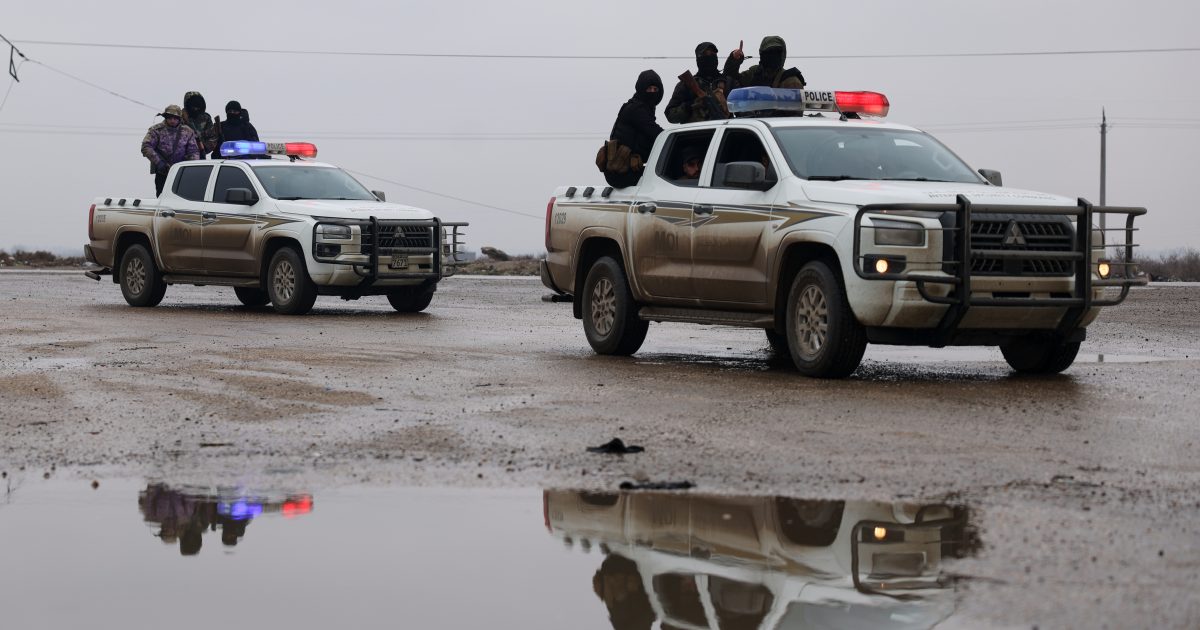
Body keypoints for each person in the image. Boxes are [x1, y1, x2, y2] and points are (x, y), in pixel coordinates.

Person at [600, 70, 664, 189]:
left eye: (656, 89)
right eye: (649, 89)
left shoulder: (641, 108)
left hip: (626, 170)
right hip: (621, 173)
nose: (652, 92)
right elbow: (658, 134)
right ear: (641, 89)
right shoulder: (636, 109)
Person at [665, 41, 741, 124]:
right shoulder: (686, 85)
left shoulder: (729, 82)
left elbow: (743, 109)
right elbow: (670, 115)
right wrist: (690, 105)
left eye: (713, 53)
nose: (710, 56)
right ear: (699, 58)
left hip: (723, 132)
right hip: (696, 134)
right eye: (706, 54)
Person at [141, 104, 200, 196]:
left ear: (179, 118)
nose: (172, 120)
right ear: (165, 117)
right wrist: (160, 163)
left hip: (182, 174)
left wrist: (190, 168)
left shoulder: (187, 131)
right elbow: (146, 146)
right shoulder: (156, 130)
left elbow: (193, 151)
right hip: (163, 173)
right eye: (170, 117)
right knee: (162, 198)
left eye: (175, 118)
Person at [728, 36, 806, 90]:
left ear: (782, 55)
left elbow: (795, 111)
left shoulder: (791, 80)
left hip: (777, 114)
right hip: (750, 113)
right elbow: (731, 79)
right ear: (762, 54)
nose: (772, 56)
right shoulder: (755, 72)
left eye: (776, 52)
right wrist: (734, 60)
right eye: (768, 52)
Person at [181, 91, 218, 158]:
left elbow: (212, 138)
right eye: (193, 107)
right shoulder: (179, 117)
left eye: (198, 107)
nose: (196, 109)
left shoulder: (205, 118)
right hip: (180, 156)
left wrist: (202, 148)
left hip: (199, 155)